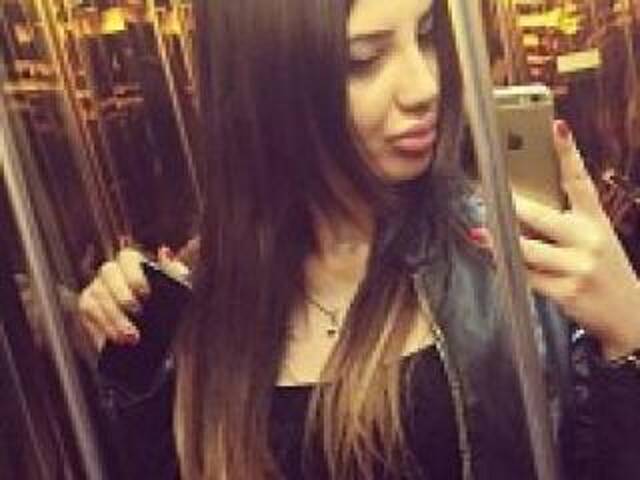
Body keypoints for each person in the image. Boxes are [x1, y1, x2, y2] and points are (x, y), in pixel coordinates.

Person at [78, 0, 640, 479]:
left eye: (426, 36)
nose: (424, 87)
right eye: (363, 60)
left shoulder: (501, 250)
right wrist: (135, 362)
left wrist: (629, 334)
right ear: (267, 83)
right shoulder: (209, 296)